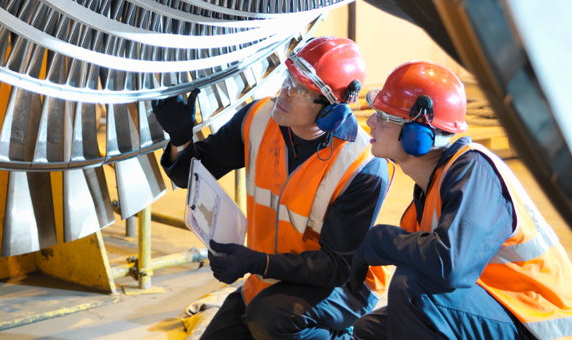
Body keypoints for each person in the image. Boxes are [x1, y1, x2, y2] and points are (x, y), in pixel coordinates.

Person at [152, 36, 394, 340]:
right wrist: (179, 139)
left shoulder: (362, 165)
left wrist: (255, 261)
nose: (284, 93)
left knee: (269, 320)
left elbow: (335, 267)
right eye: (287, 79)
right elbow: (193, 175)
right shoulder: (258, 119)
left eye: (300, 90)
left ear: (330, 110)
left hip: (342, 287)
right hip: (273, 276)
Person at [348, 61, 572, 340]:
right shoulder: (427, 196)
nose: (370, 121)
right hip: (502, 311)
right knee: (370, 332)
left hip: (537, 323)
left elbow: (450, 266)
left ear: (418, 135)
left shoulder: (475, 172)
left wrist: (381, 240)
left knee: (411, 290)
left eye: (385, 116)